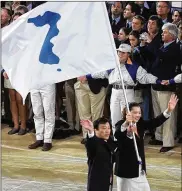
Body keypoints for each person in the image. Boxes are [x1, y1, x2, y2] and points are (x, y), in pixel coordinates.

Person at [83, 44, 161, 135]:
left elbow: (145, 77)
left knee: (127, 117)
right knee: (114, 117)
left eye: (123, 53)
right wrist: (87, 76)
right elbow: (100, 73)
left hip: (128, 92)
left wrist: (158, 80)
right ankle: (116, 140)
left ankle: (129, 139)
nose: (120, 54)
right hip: (115, 92)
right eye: (119, 52)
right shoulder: (112, 65)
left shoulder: (135, 67)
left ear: (128, 54)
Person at [114, 94, 178, 191]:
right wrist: (127, 123)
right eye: (134, 112)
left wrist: (168, 110)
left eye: (139, 112)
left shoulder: (141, 124)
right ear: (128, 113)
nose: (138, 115)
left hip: (139, 169)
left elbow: (156, 121)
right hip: (126, 170)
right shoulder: (121, 124)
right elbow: (117, 134)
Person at [81, 118, 116, 191]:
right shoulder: (94, 143)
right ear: (96, 130)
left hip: (107, 180)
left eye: (109, 128)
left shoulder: (110, 141)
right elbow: (91, 143)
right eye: (104, 128)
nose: (107, 131)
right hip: (96, 183)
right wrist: (90, 131)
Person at [28, 84, 56, 151]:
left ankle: (47, 140)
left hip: (48, 82)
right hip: (34, 83)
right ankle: (39, 138)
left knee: (49, 112)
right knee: (37, 112)